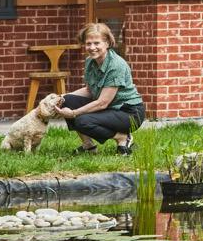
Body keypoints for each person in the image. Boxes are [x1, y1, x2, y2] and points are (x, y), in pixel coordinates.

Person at [58, 22, 144, 154]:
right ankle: (88, 146)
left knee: (82, 121)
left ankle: (122, 137)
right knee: (67, 100)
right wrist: (61, 97)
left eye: (97, 43)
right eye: (88, 43)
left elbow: (102, 103)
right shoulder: (90, 62)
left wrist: (74, 113)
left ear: (107, 43)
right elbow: (89, 90)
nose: (92, 47)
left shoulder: (116, 65)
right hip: (109, 108)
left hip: (128, 112)